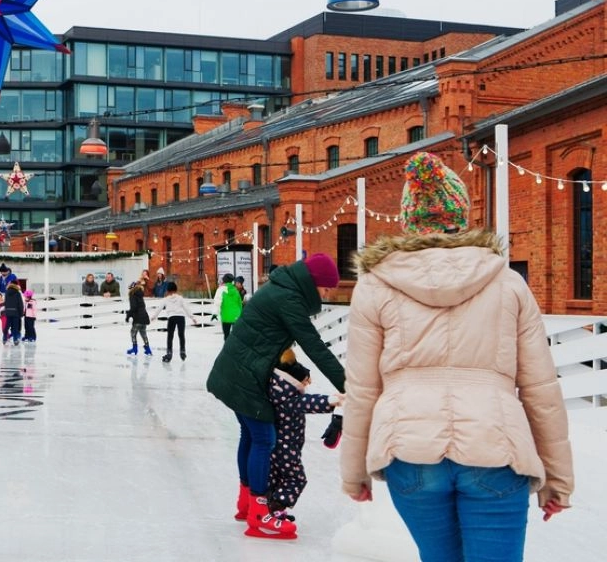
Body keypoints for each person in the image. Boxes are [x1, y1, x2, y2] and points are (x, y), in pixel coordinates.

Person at [341, 152, 573, 562]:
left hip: (408, 449)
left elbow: (362, 389)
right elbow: (540, 388)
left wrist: (354, 469)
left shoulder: (374, 286)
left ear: (409, 219)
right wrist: (558, 477)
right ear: (461, 214)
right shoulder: (508, 283)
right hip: (495, 447)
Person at [206, 252, 346, 540]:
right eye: (326, 288)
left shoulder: (282, 289)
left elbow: (272, 341)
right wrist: (349, 384)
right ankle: (259, 511)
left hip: (235, 370)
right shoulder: (289, 299)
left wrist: (296, 367)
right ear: (314, 283)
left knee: (250, 436)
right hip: (246, 376)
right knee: (264, 439)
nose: (328, 294)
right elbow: (315, 345)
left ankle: (246, 501)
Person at [258, 349, 342, 533]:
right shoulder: (288, 398)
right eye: (305, 382)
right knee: (296, 479)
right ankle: (275, 508)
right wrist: (331, 400)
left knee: (276, 478)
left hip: (278, 445)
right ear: (293, 380)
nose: (308, 384)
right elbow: (307, 402)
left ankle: (267, 507)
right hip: (286, 447)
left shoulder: (277, 388)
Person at [153, 281, 198, 363]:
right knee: (181, 335)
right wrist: (192, 317)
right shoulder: (180, 298)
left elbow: (159, 309)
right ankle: (182, 351)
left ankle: (169, 353)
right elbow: (186, 308)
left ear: (168, 290)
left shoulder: (165, 299)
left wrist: (153, 317)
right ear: (176, 289)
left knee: (170, 336)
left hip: (171, 318)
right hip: (181, 317)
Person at [124, 277, 152, 356]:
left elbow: (133, 307)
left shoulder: (132, 295)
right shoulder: (140, 295)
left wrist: (128, 316)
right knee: (143, 333)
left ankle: (134, 348)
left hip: (138, 318)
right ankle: (148, 349)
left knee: (133, 332)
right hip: (144, 317)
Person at [214, 273, 243, 340]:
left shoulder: (221, 290)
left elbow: (217, 302)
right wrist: (241, 314)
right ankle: (235, 349)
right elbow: (239, 304)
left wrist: (215, 313)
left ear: (224, 280)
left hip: (226, 316)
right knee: (236, 336)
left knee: (226, 335)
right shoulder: (236, 290)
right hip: (236, 316)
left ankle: (227, 349)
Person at [3, 281, 24, 345]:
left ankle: (4, 338)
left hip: (8, 312)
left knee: (6, 326)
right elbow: (20, 304)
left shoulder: (6, 292)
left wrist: (6, 311)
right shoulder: (17, 293)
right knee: (15, 327)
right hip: (15, 312)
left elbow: (5, 303)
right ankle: (15, 340)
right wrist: (21, 313)